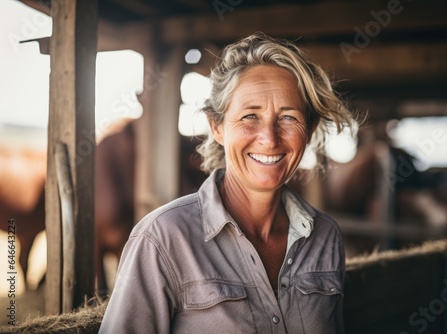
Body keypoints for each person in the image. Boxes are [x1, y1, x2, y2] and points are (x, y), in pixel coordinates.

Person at [99, 32, 356, 334]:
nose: (270, 139)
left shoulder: (325, 237)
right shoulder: (162, 239)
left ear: (310, 130)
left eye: (288, 118)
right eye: (250, 116)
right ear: (217, 127)